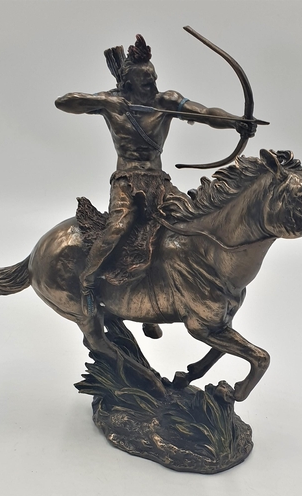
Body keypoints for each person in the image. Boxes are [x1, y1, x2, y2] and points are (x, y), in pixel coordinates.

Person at [55, 34, 256, 321]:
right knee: (118, 227)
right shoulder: (111, 101)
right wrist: (105, 103)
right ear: (129, 84)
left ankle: (157, 293)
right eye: (146, 81)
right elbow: (64, 102)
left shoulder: (166, 101)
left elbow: (205, 113)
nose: (153, 85)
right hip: (126, 181)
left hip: (159, 181)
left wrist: (236, 122)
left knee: (190, 224)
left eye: (153, 78)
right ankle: (88, 281)